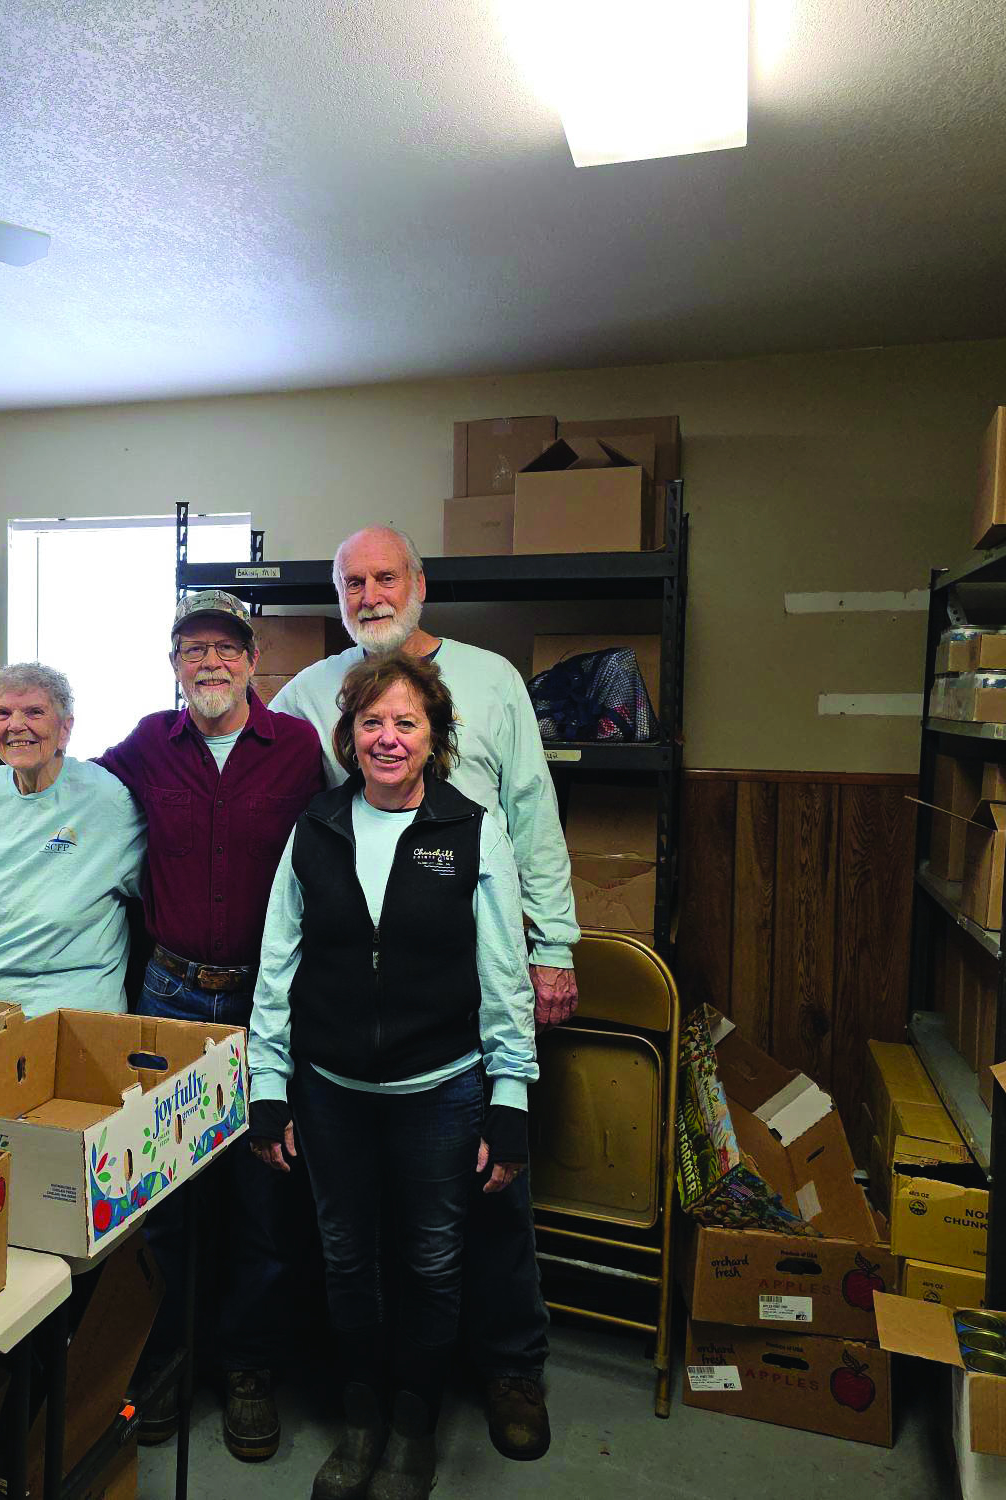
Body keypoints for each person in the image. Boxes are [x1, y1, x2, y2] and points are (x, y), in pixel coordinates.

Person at [268, 525, 576, 1460]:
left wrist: (552, 946)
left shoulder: (491, 681)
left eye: (385, 577)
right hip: (346, 1033)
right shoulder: (308, 691)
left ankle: (510, 1365)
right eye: (352, 581)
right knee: (356, 1237)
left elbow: (533, 814)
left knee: (486, 1198)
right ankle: (372, 1394)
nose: (369, 594)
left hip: (461, 983)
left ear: (420, 584)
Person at [248, 652, 535, 1500]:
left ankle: (413, 1426)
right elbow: (277, 968)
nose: (388, 738)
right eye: (372, 722)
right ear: (349, 736)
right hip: (333, 1091)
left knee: (435, 1261)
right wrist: (269, 1086)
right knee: (346, 1260)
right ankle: (362, 1419)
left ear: (435, 736)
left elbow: (504, 976)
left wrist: (510, 1098)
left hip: (440, 1091)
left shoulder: (473, 830)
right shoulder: (316, 828)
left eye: (406, 722)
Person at [96, 589, 325, 1461]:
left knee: (265, 1193)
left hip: (271, 1001)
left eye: (225, 649)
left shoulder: (298, 748)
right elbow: (78, 797)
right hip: (172, 997)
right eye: (193, 649)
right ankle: (168, 1357)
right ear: (173, 665)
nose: (210, 663)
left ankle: (248, 1369)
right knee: (168, 1197)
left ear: (252, 662)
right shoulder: (150, 743)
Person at [0, 663, 144, 1014]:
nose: (16, 725)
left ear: (65, 728)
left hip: (70, 1006)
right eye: (2, 713)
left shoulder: (107, 799)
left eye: (35, 712)